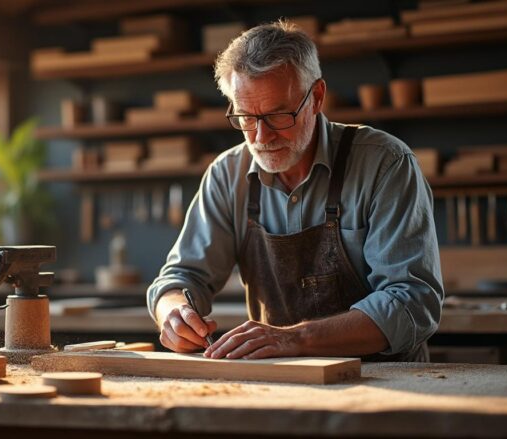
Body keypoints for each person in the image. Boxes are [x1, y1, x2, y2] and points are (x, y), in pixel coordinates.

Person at [146, 20, 443, 362]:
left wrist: (296, 339)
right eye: (246, 117)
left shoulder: (385, 164)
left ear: (316, 97)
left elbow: (412, 303)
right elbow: (181, 278)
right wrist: (174, 311)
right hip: (280, 383)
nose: (260, 137)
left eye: (277, 115)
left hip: (385, 381)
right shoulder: (228, 175)